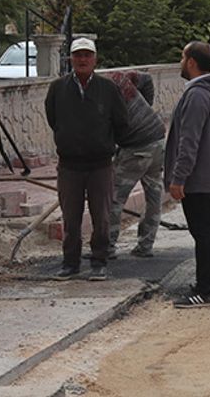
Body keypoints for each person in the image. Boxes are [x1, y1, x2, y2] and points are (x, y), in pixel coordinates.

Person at [45, 38, 128, 281]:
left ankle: (99, 261)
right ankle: (70, 263)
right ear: (70, 59)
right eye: (78, 55)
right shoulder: (58, 88)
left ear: (95, 59)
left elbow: (121, 122)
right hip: (70, 165)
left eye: (87, 55)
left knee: (101, 216)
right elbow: (53, 118)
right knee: (71, 217)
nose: (82, 60)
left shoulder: (108, 88)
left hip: (100, 164)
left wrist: (109, 146)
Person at [165, 41, 210, 308]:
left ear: (192, 62)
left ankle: (204, 290)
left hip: (198, 177)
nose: (180, 62)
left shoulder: (196, 95)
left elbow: (188, 141)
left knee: (203, 233)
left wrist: (179, 177)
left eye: (183, 57)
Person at [107, 70, 166, 259]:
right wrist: (145, 110)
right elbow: (147, 79)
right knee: (154, 194)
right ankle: (145, 246)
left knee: (113, 198)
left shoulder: (99, 95)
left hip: (137, 147)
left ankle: (106, 247)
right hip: (157, 137)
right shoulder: (119, 77)